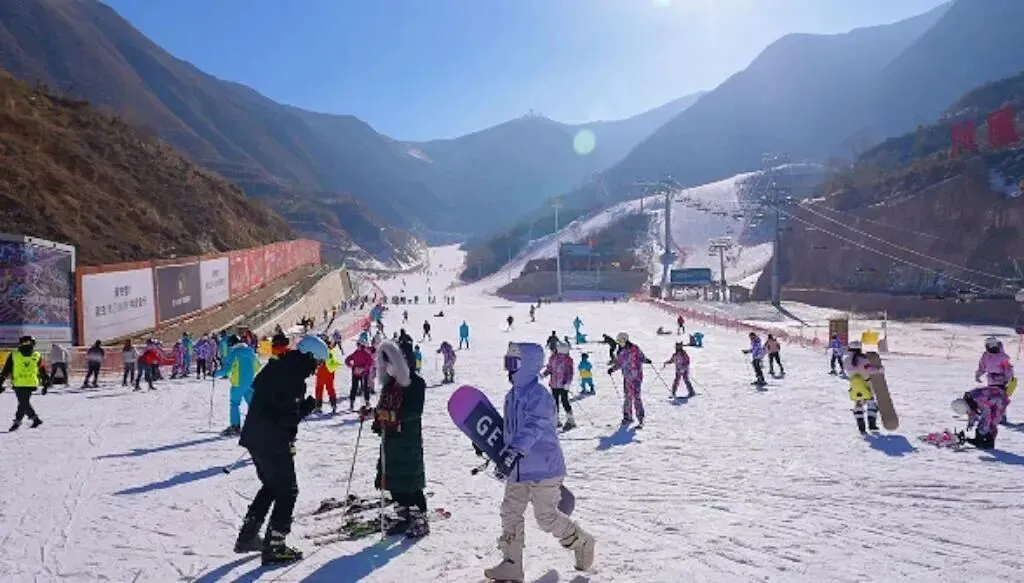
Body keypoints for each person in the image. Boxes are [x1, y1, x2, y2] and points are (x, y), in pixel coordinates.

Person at [482, 342, 595, 581]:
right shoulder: (511, 396)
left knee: (546, 518)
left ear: (528, 366)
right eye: (507, 363)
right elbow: (511, 431)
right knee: (510, 512)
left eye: (513, 363)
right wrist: (490, 442)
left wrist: (514, 451)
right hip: (518, 469)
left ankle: (582, 541)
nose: (509, 369)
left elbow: (535, 426)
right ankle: (512, 563)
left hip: (544, 467)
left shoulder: (539, 395)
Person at [234, 335, 323, 565]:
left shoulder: (278, 365)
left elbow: (263, 394)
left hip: (255, 436)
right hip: (272, 440)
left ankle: (248, 536)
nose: (316, 368)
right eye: (317, 362)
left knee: (272, 486)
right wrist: (305, 407)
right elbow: (287, 419)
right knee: (288, 490)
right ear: (309, 356)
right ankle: (275, 545)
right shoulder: (294, 378)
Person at [366, 339, 429, 537]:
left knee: (410, 482)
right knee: (393, 481)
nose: (388, 368)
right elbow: (382, 408)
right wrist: (372, 413)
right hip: (390, 440)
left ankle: (420, 518)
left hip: (407, 441)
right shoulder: (390, 385)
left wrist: (390, 415)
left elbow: (414, 412)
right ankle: (403, 516)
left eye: (391, 363)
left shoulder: (415, 383)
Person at [964, 336, 1016, 448]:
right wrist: (978, 374)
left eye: (994, 345)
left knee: (1000, 400)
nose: (992, 348)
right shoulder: (986, 356)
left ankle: (1001, 417)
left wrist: (1008, 380)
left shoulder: (1002, 357)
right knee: (990, 401)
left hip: (1001, 382)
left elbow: (1008, 369)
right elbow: (982, 366)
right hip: (991, 381)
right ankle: (986, 435)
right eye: (990, 346)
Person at [0, 335, 50, 431]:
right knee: (24, 402)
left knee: (23, 402)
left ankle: (19, 421)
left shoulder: (14, 354)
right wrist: (45, 384)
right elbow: (42, 370)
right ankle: (34, 419)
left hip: (19, 383)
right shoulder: (37, 355)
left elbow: (6, 370)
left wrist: (1, 381)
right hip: (31, 383)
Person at [216, 335, 260, 436]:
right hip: (250, 382)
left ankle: (235, 426)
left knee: (234, 404)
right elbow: (257, 366)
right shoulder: (250, 351)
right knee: (252, 404)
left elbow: (226, 369)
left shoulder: (234, 353)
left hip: (238, 383)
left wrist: (216, 373)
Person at [608, 333, 650, 427]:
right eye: (618, 342)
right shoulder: (621, 352)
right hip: (627, 378)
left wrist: (646, 360)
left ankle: (640, 418)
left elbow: (641, 357)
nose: (619, 343)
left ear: (625, 340)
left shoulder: (635, 348)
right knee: (627, 397)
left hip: (636, 377)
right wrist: (612, 369)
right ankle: (628, 417)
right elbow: (619, 363)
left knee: (636, 397)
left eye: (621, 341)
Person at [844, 341, 881, 433]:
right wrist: (880, 369)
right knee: (871, 404)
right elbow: (870, 370)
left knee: (858, 404)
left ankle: (861, 427)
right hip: (866, 384)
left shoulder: (846, 360)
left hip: (854, 385)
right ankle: (872, 425)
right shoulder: (864, 359)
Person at [543, 342, 576, 429]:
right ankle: (556, 419)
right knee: (555, 403)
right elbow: (550, 368)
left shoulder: (568, 360)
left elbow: (570, 373)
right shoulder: (553, 358)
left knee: (565, 402)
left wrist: (567, 383)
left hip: (563, 385)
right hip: (554, 385)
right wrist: (544, 374)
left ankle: (570, 420)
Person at [344, 339, 374, 411]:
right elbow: (347, 359)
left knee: (365, 387)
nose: (357, 346)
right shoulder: (356, 352)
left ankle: (367, 402)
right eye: (357, 344)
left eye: (358, 344)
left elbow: (370, 362)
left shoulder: (366, 353)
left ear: (362, 345)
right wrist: (352, 366)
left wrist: (363, 368)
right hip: (356, 373)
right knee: (355, 387)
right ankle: (352, 403)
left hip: (364, 374)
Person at [314, 341, 341, 414]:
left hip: (321, 373)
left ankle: (318, 406)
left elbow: (317, 363)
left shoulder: (321, 353)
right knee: (330, 389)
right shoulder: (332, 352)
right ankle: (333, 405)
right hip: (330, 373)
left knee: (319, 389)